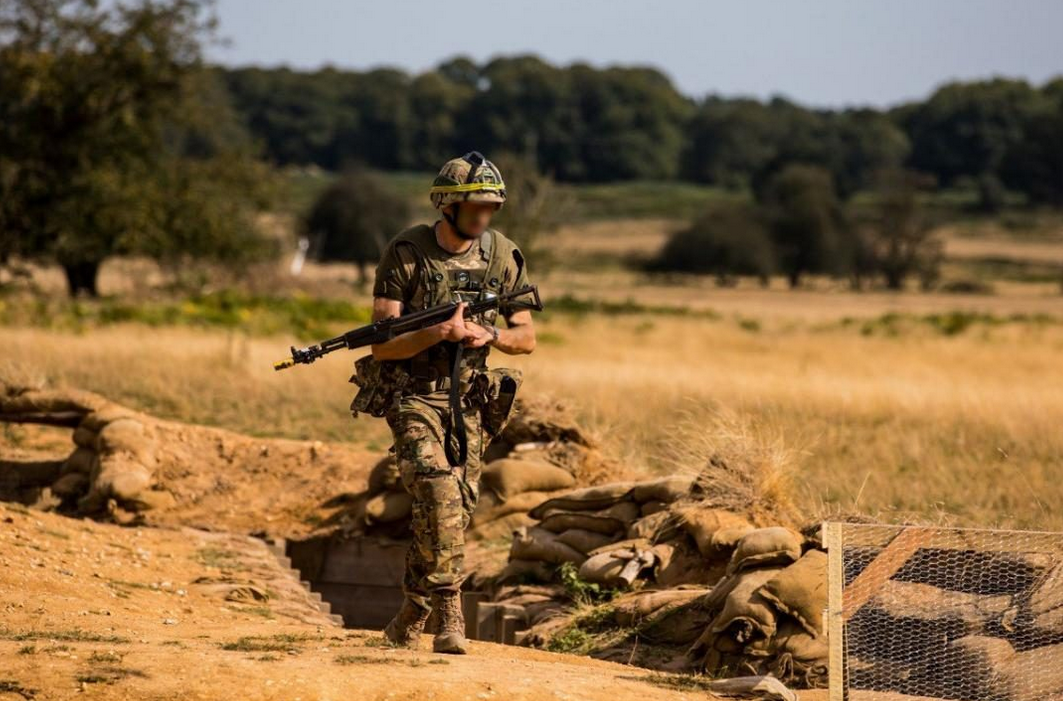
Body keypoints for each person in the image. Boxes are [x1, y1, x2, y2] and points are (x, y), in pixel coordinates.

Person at [368, 151, 536, 654]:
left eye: (491, 208)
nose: (483, 217)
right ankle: (449, 614)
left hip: (469, 402)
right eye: (475, 208)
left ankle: (409, 615)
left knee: (452, 514)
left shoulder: (503, 255)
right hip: (414, 397)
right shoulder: (407, 253)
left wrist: (488, 336)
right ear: (447, 206)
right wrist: (438, 331)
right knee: (439, 493)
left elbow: (525, 335)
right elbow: (382, 344)